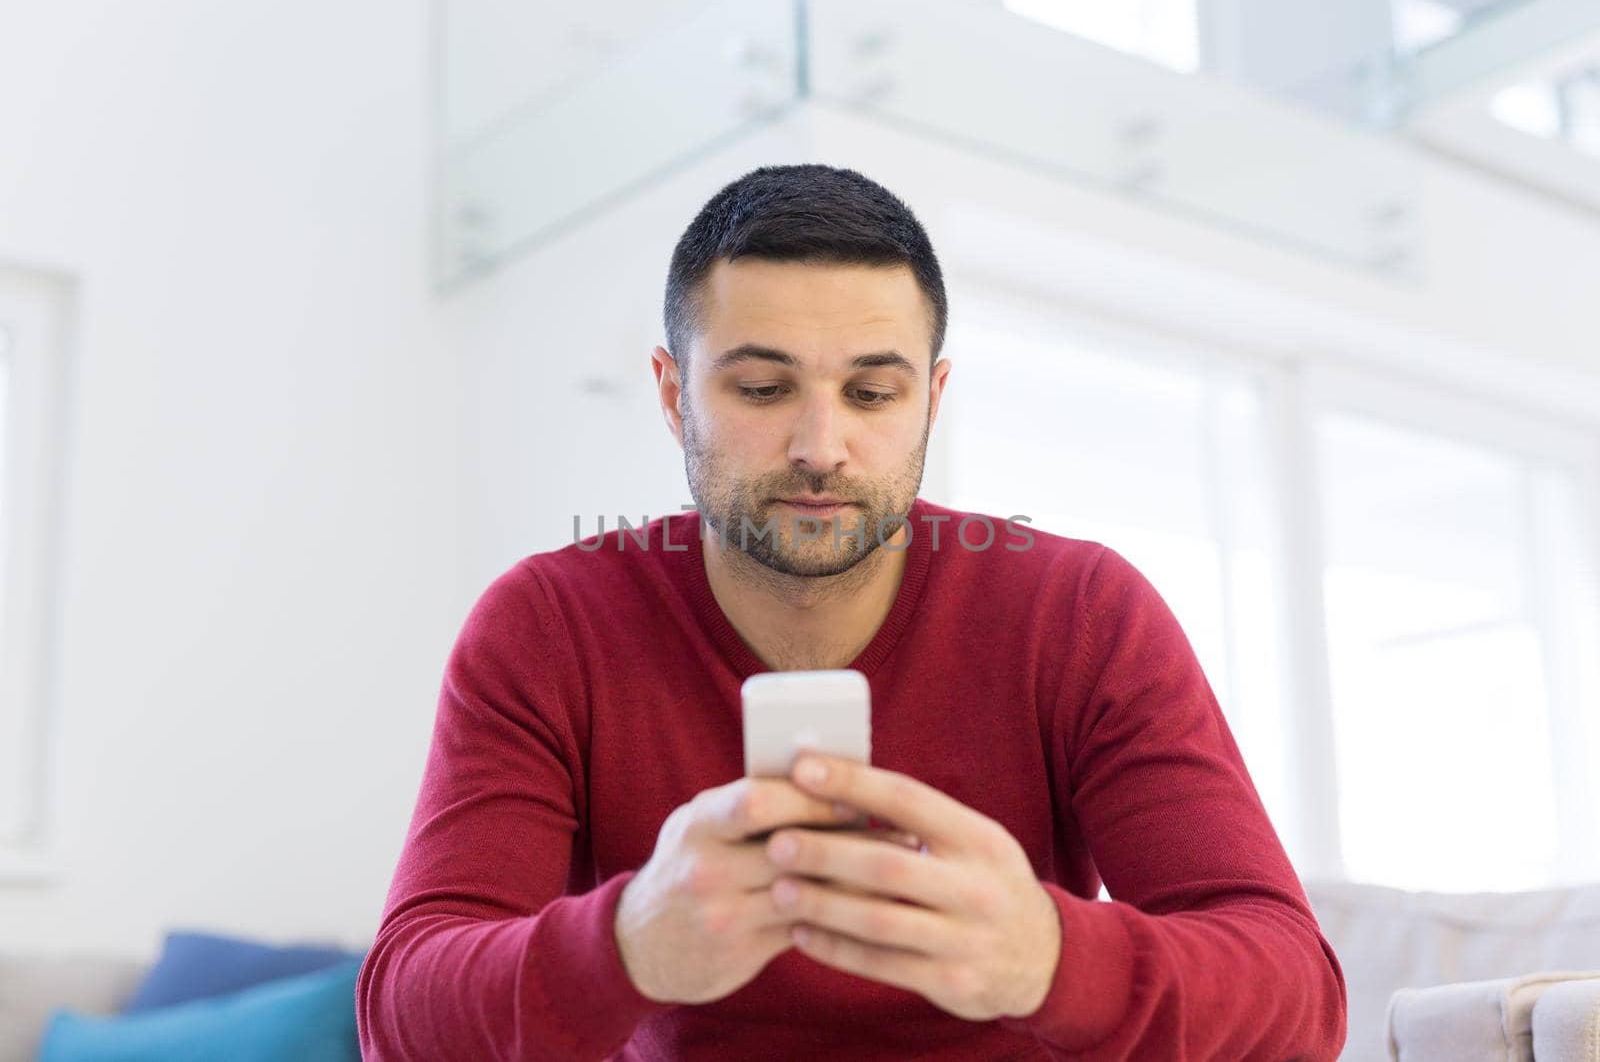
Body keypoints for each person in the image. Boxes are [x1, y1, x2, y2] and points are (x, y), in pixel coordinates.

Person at [355, 163, 1347, 1060]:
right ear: (670, 394)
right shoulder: (546, 625)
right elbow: (400, 1013)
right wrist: (626, 946)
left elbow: (1298, 996)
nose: (820, 444)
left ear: (931, 399)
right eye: (760, 385)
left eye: (872, 391)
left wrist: (1049, 955)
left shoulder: (1081, 613)